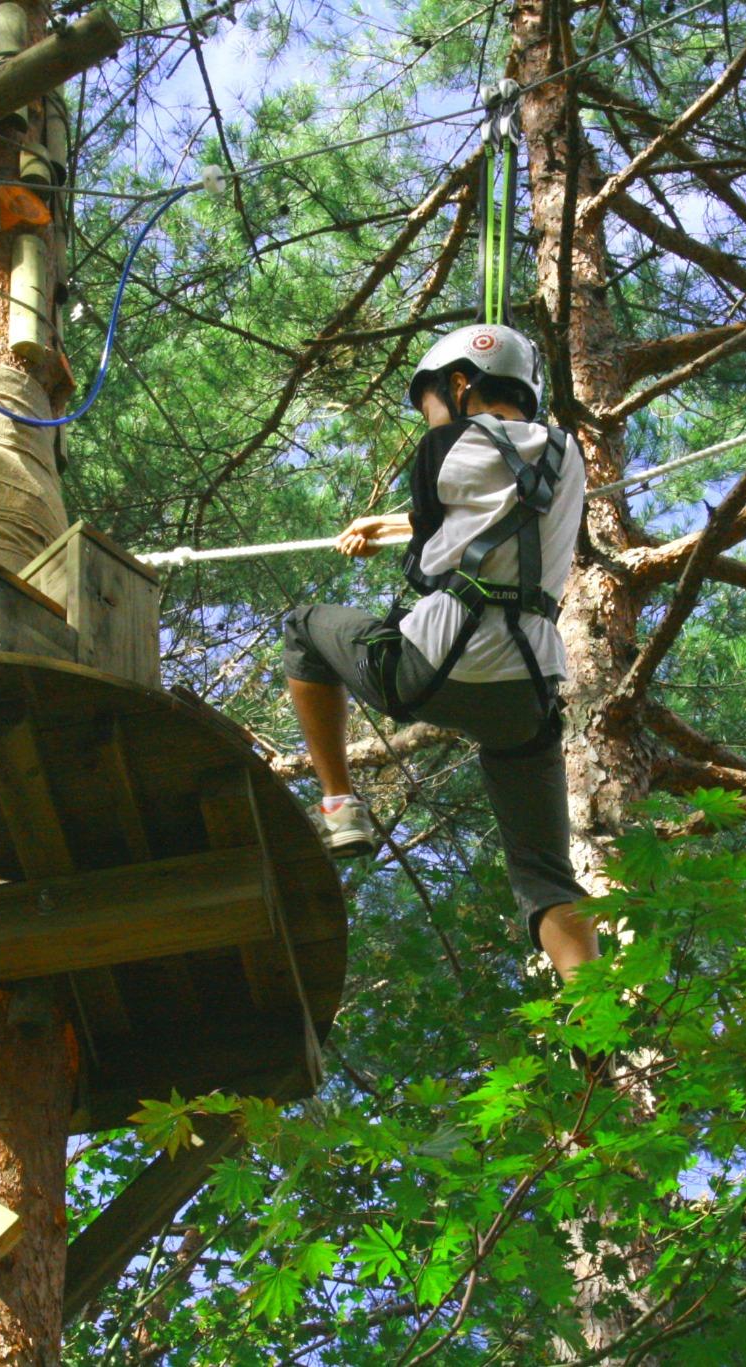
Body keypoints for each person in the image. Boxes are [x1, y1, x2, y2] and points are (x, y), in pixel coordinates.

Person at [280, 324, 602, 986]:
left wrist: (398, 531)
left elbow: (428, 563)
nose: (428, 419)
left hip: (434, 664)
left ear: (459, 385)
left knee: (304, 629)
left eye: (429, 402)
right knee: (546, 874)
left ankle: (340, 805)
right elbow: (493, 507)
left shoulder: (441, 446)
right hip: (526, 690)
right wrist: (396, 524)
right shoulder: (569, 456)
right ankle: (598, 1015)